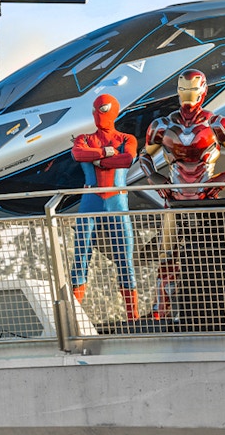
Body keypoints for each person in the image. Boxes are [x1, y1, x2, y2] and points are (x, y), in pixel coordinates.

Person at [139, 68, 225, 330]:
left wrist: (224, 179)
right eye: (182, 89)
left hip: (205, 198)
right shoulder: (162, 125)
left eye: (191, 89)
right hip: (174, 198)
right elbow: (144, 156)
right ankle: (163, 311)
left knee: (204, 257)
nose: (186, 95)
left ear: (202, 90)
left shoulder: (217, 123)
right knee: (168, 257)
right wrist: (155, 178)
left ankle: (202, 310)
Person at [69, 93, 140, 320]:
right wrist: (106, 153)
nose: (99, 115)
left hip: (114, 201)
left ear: (114, 111)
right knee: (81, 257)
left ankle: (133, 316)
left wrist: (97, 160)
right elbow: (78, 153)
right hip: (93, 200)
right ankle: (73, 314)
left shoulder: (127, 139)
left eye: (104, 109)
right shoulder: (84, 139)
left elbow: (127, 159)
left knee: (124, 259)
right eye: (96, 110)